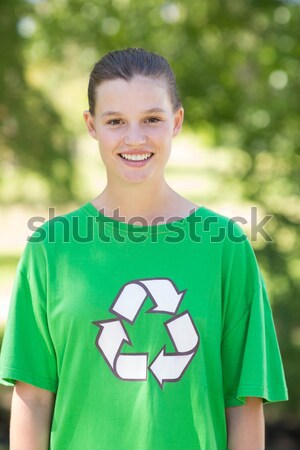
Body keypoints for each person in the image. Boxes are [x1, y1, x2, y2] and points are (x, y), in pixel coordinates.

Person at [0, 48, 288, 450]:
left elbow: (244, 402)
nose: (135, 139)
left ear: (177, 121)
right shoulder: (50, 250)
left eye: (152, 119)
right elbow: (32, 398)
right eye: (115, 121)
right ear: (92, 125)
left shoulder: (225, 247)